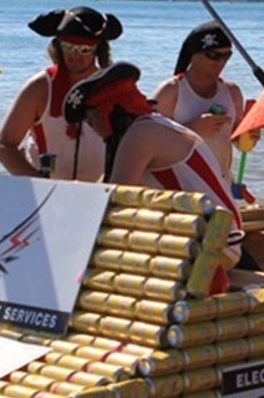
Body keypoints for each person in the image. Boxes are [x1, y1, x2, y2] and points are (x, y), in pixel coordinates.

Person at [65, 62, 245, 289]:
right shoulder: (152, 125)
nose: (93, 129)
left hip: (215, 244)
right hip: (214, 237)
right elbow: (103, 189)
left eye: (91, 120)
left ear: (106, 112)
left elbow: (112, 203)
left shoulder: (140, 135)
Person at [0, 7, 117, 181]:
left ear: (98, 50)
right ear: (58, 45)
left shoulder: (114, 88)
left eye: (84, 49)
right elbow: (3, 146)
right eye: (69, 46)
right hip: (46, 194)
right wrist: (39, 185)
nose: (75, 55)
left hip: (99, 194)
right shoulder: (39, 87)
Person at [153, 21, 246, 182]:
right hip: (180, 184)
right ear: (194, 54)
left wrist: (250, 134)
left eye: (226, 56)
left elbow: (238, 140)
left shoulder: (232, 92)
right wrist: (192, 129)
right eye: (213, 56)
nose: (220, 62)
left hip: (220, 182)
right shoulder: (170, 91)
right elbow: (149, 144)